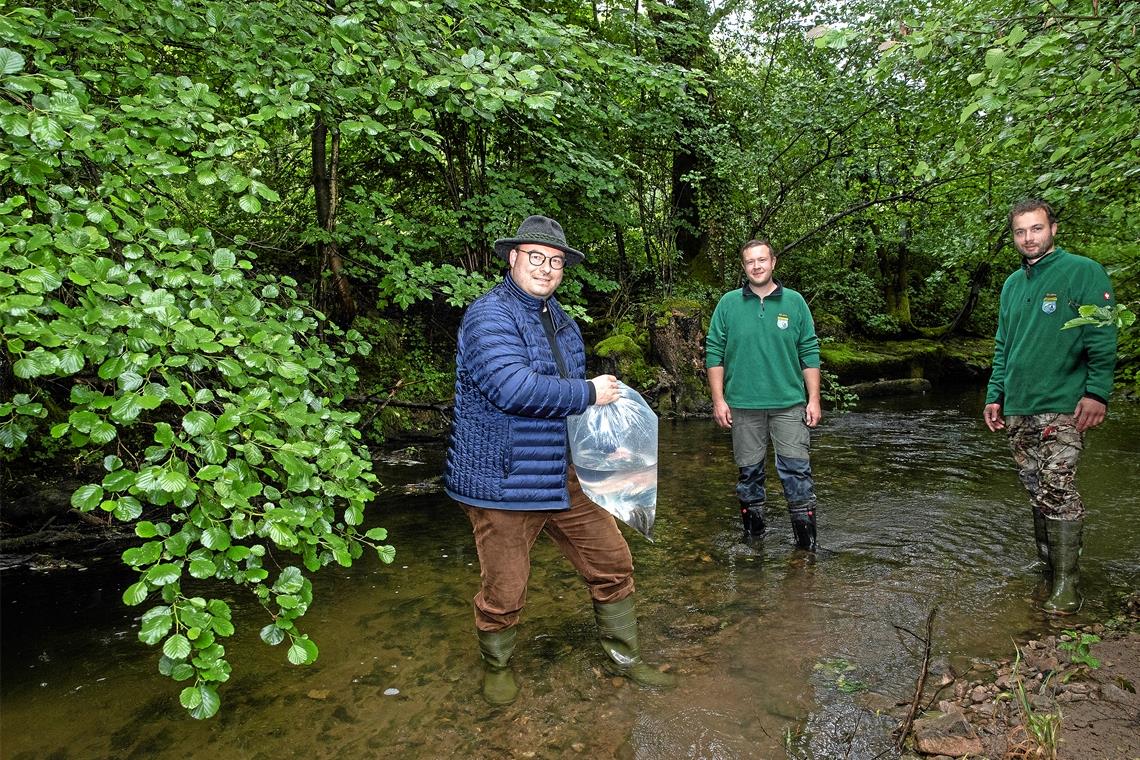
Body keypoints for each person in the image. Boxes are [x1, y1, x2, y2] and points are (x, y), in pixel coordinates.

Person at [445, 215, 676, 706]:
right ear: (513, 258)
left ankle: (627, 658)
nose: (547, 268)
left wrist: (602, 442)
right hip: (502, 480)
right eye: (536, 257)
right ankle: (498, 665)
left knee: (613, 563)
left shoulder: (564, 323)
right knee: (505, 590)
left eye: (555, 261)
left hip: (562, 473)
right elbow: (512, 389)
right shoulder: (489, 316)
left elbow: (570, 405)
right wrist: (589, 390)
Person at [983, 199, 1117, 614]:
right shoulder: (1011, 285)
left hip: (1063, 403)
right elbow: (1005, 345)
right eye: (1021, 232)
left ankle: (1066, 586)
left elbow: (1102, 334)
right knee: (1035, 488)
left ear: (1053, 229)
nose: (1029, 238)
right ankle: (1048, 569)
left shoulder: (1082, 271)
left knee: (1058, 486)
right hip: (1019, 404)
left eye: (1036, 229)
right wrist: (995, 394)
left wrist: (1097, 393)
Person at [705, 239, 822, 550]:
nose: (756, 266)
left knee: (797, 475)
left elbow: (809, 350)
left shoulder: (795, 302)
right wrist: (719, 400)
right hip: (743, 406)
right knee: (749, 476)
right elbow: (714, 352)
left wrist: (814, 400)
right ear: (744, 267)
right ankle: (753, 547)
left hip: (788, 404)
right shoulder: (728, 304)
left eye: (762, 260)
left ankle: (806, 550)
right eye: (749, 262)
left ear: (773, 263)